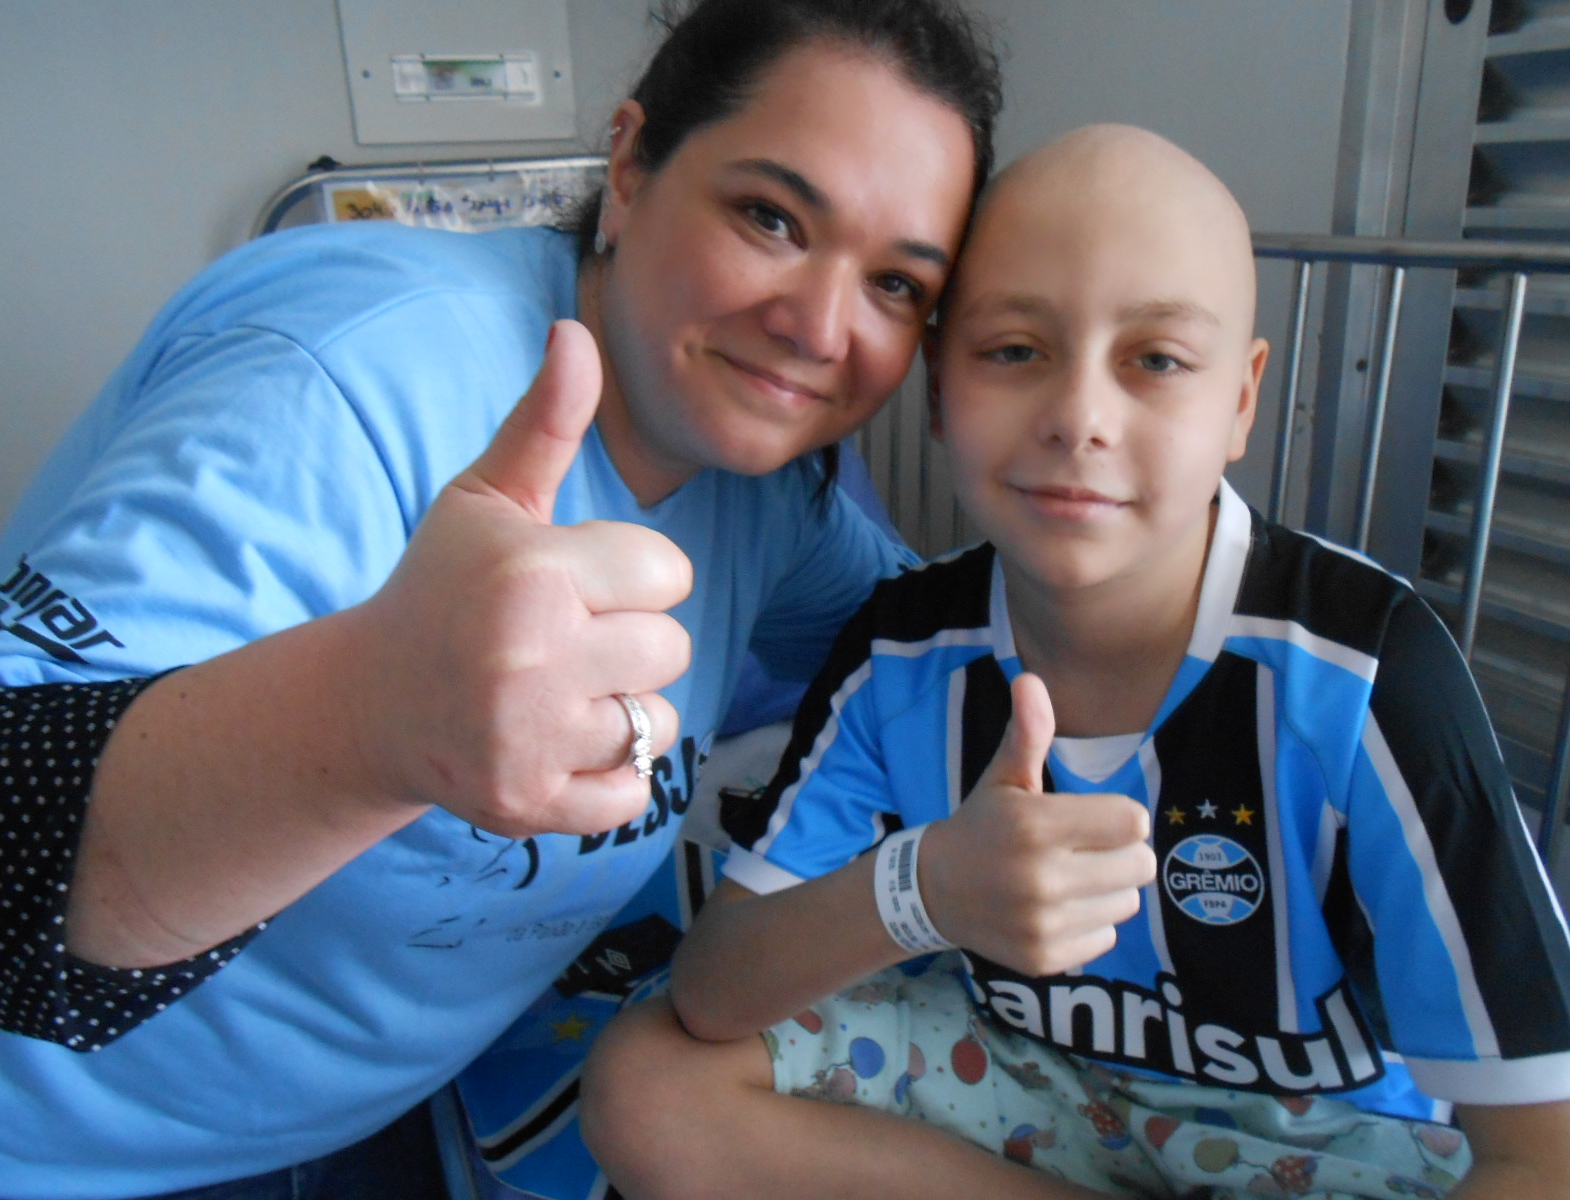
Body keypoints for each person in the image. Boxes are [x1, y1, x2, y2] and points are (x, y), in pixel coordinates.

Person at [0, 2, 1003, 1196]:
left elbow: (931, 638)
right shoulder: (352, 373)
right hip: (53, 1151)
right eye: (769, 216)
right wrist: (367, 719)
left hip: (366, 1116)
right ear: (628, 164)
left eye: (893, 284)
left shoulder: (761, 489)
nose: (820, 327)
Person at [581, 125, 1570, 1199]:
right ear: (938, 389)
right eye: (1013, 350)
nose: (1078, 419)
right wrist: (924, 890)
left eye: (1155, 361)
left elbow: (1540, 1151)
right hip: (1025, 1089)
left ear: (1238, 400)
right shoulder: (903, 650)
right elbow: (713, 993)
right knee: (646, 1079)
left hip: (1321, 1140)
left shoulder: (1365, 673)